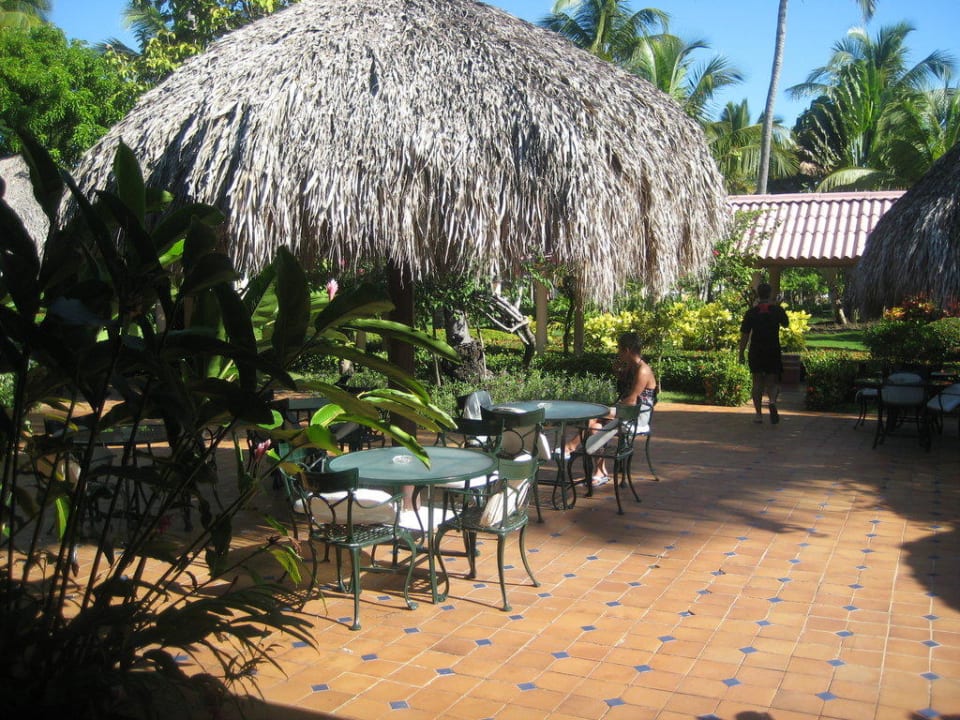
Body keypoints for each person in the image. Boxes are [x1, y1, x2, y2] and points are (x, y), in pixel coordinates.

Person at [563, 331, 657, 485]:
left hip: (636, 416)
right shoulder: (633, 367)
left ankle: (570, 447)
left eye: (619, 349)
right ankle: (600, 472)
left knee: (593, 416)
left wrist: (610, 410)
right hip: (626, 412)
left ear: (626, 350)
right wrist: (619, 372)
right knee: (595, 427)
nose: (618, 352)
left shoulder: (643, 370)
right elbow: (625, 390)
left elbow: (632, 401)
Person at [738, 282, 789, 424]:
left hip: (756, 350)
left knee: (757, 382)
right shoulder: (776, 311)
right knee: (772, 382)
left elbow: (745, 335)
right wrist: (778, 307)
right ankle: (772, 401)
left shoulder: (751, 313)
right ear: (770, 293)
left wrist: (741, 353)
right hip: (772, 349)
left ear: (758, 294)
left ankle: (758, 415)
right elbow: (786, 324)